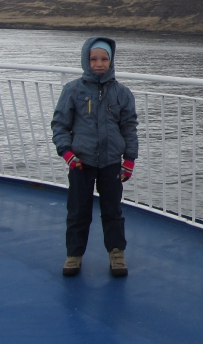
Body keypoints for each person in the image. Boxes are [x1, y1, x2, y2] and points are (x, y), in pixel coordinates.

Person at [51, 36, 138, 277]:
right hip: (81, 162)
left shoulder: (122, 93)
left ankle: (117, 253)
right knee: (78, 210)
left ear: (111, 61)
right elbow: (60, 125)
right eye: (93, 59)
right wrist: (67, 152)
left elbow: (129, 127)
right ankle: (74, 254)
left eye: (104, 59)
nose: (99, 64)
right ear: (85, 60)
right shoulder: (73, 90)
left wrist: (129, 159)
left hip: (111, 162)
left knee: (113, 211)